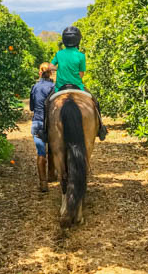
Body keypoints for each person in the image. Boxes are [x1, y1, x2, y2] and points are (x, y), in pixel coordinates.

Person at [51, 26, 108, 140]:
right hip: (78, 86)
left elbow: (51, 66)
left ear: (64, 40)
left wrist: (60, 69)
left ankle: (43, 130)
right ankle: (101, 128)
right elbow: (81, 74)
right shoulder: (81, 56)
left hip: (59, 87)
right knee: (95, 102)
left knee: (47, 103)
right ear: (78, 40)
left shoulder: (59, 54)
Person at [29, 62, 55, 192]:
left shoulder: (35, 87)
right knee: (52, 150)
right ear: (51, 73)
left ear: (40, 72)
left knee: (41, 153)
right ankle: (51, 174)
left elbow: (32, 107)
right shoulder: (55, 87)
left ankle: (43, 183)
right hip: (51, 124)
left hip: (37, 123)